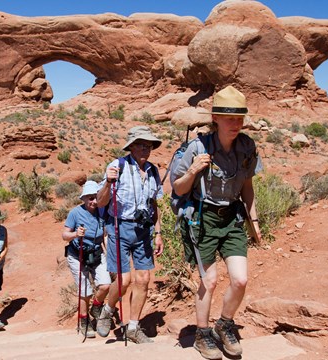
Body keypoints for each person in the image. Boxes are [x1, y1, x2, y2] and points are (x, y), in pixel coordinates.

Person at [172, 85, 262, 359]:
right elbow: (178, 188)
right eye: (229, 118)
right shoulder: (198, 147)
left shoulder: (246, 146)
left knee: (240, 280)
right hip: (203, 219)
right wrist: (193, 169)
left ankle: (224, 324)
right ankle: (202, 334)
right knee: (209, 281)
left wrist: (254, 220)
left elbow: (246, 185)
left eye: (239, 118)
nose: (235, 124)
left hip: (232, 217)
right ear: (216, 119)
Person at [95, 125, 164, 344]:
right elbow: (102, 201)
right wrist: (107, 181)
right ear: (132, 146)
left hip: (144, 230)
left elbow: (154, 204)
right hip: (119, 226)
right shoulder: (118, 166)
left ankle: (133, 327)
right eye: (142, 145)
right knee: (124, 280)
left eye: (149, 145)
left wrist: (158, 232)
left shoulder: (153, 171)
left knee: (143, 279)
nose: (146, 149)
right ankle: (107, 310)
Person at [62, 181, 111, 338]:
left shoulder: (102, 213)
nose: (94, 202)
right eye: (90, 198)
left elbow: (104, 236)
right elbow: (64, 235)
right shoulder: (75, 213)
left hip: (96, 253)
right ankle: (84, 321)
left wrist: (108, 254)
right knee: (85, 290)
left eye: (96, 197)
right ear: (83, 199)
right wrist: (76, 234)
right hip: (77, 255)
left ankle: (96, 307)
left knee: (105, 285)